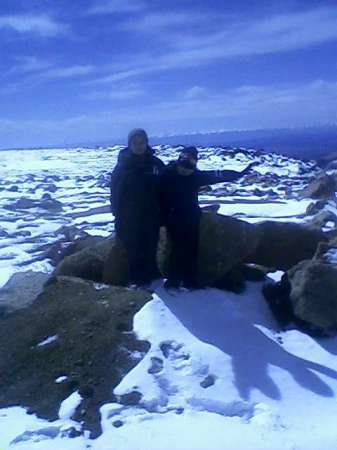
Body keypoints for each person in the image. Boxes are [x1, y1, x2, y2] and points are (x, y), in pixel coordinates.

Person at [159, 146, 257, 290]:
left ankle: (189, 280)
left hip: (192, 216)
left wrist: (239, 174)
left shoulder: (195, 176)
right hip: (172, 218)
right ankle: (173, 280)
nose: (186, 171)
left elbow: (218, 175)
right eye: (184, 167)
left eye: (190, 167)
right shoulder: (166, 174)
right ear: (179, 162)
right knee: (176, 248)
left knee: (192, 248)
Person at [110, 129, 165, 287]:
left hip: (152, 214)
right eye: (135, 143)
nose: (139, 146)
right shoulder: (123, 167)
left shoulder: (155, 164)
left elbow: (166, 185)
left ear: (147, 143)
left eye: (142, 143)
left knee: (151, 243)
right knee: (133, 246)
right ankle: (137, 278)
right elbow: (115, 192)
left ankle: (152, 272)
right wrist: (117, 215)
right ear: (130, 145)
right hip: (129, 216)